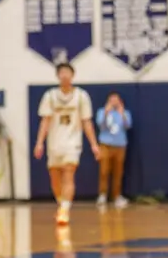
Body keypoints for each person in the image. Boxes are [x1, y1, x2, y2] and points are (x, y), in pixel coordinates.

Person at [33, 63, 101, 226]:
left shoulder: (81, 96)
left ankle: (65, 209)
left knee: (69, 174)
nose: (64, 75)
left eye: (67, 72)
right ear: (58, 76)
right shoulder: (49, 96)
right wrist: (39, 143)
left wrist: (94, 144)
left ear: (73, 75)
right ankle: (61, 204)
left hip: (72, 142)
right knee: (55, 179)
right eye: (61, 73)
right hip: (54, 143)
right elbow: (45, 121)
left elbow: (86, 122)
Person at [96, 91, 131, 209]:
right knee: (104, 170)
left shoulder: (125, 112)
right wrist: (106, 113)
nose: (114, 102)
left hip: (120, 145)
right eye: (112, 100)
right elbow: (101, 125)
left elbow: (128, 126)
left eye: (116, 100)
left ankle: (117, 196)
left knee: (118, 171)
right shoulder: (102, 111)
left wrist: (122, 114)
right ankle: (102, 195)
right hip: (105, 144)